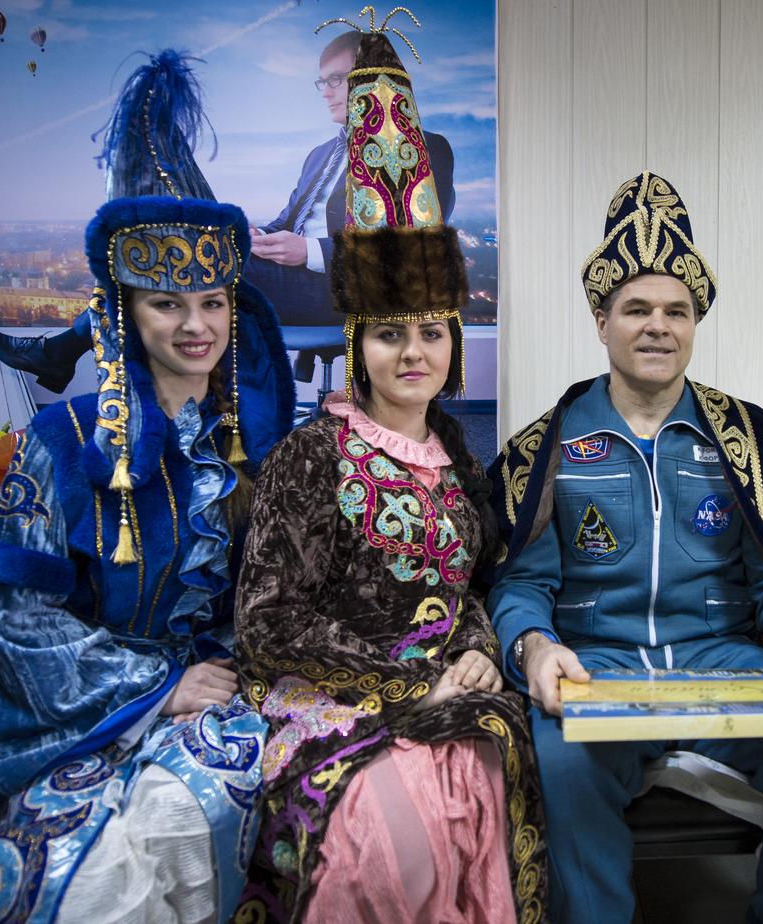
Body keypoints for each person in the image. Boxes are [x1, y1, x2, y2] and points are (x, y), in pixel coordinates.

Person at [0, 51, 295, 922]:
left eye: (213, 303)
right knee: (88, 877)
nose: (195, 326)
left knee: (186, 817)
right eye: (166, 305)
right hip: (90, 717)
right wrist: (152, 688)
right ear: (123, 311)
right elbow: (6, 622)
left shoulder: (260, 447)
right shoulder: (61, 443)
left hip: (226, 713)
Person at [487, 171, 763, 924]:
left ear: (695, 322)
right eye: (636, 309)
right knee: (563, 767)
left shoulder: (747, 437)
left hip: (723, 658)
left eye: (676, 311)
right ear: (601, 322)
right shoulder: (540, 448)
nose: (657, 327)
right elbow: (518, 586)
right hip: (594, 664)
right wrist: (536, 647)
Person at [232, 23, 544, 924]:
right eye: (390, 332)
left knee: (489, 794)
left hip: (451, 700)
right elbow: (267, 624)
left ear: (454, 341)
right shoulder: (311, 456)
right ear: (357, 345)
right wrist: (416, 681)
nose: (414, 351)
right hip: (335, 704)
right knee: (387, 845)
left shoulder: (459, 458)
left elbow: (470, 586)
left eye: (432, 331)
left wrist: (480, 649)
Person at [0, 30, 456, 388]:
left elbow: (413, 248)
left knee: (181, 254)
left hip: (347, 292)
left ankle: (66, 353)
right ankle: (72, 356)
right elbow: (285, 222)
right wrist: (256, 233)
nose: (327, 91)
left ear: (370, 79)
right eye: (322, 81)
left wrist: (308, 250)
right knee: (170, 247)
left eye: (338, 79)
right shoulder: (321, 155)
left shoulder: (424, 148)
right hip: (291, 278)